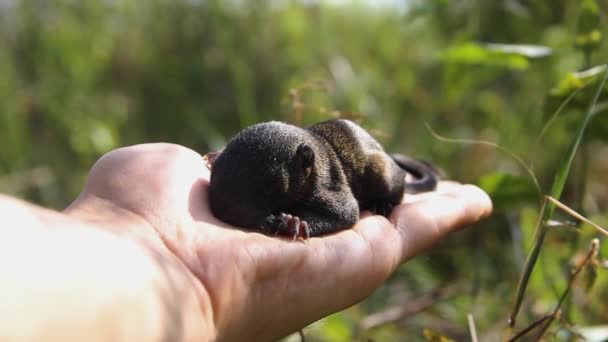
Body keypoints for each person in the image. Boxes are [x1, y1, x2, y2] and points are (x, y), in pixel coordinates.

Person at [0, 143, 492, 341]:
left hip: (362, 160)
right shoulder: (261, 160)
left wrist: (303, 225)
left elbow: (343, 213)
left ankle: (401, 177)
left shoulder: (323, 177)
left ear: (304, 172)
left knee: (384, 177)